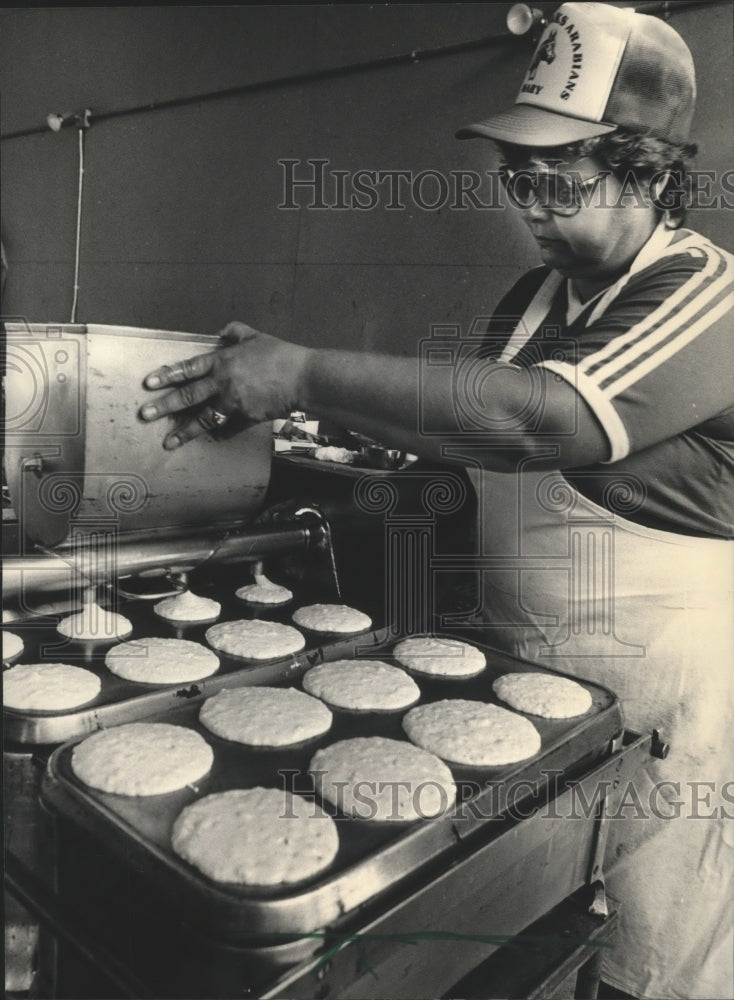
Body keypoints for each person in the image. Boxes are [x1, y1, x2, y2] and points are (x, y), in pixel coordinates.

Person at [139, 4, 733, 997]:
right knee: (527, 938)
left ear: (650, 172)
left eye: (560, 179)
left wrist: (299, 373)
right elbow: (470, 463)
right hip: (537, 694)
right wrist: (293, 522)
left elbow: (537, 425)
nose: (530, 203)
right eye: (516, 176)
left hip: (671, 704)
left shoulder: (705, 295)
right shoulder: (531, 301)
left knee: (641, 959)